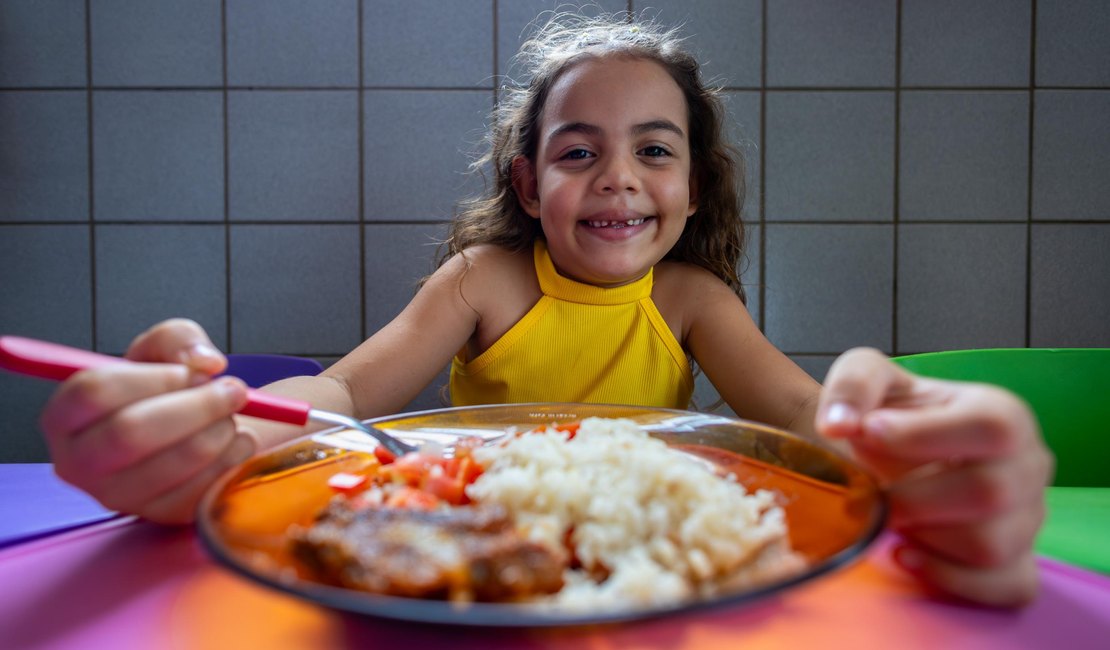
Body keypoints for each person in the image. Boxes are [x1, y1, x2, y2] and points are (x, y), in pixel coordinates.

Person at [37, 13, 1050, 608]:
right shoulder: (483, 279)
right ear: (530, 186)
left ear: (695, 189)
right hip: (474, 559)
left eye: (655, 150)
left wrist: (892, 445)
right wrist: (238, 425)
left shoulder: (693, 298)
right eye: (579, 152)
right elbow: (345, 391)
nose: (617, 178)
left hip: (650, 583)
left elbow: (794, 413)